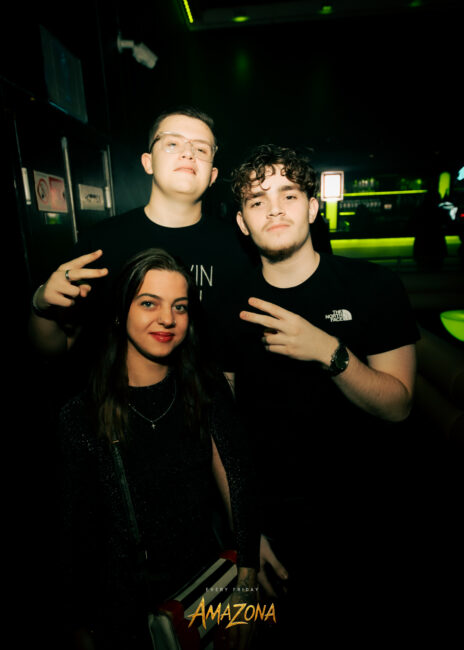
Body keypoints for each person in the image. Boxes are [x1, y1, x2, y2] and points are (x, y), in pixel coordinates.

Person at [226, 144, 420, 645]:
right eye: (257, 200)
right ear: (243, 223)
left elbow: (399, 406)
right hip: (274, 533)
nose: (273, 208)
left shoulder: (375, 286)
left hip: (370, 525)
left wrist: (328, 351)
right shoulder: (227, 304)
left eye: (289, 195)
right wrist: (246, 537)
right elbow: (221, 432)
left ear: (313, 208)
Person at [58, 248, 260, 650]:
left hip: (204, 593)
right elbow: (72, 532)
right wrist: (78, 625)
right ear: (121, 312)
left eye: (179, 306)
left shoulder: (205, 388)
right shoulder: (80, 414)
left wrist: (248, 582)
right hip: (122, 614)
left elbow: (238, 479)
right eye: (149, 303)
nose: (167, 319)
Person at [28, 105, 255, 393]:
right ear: (148, 162)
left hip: (206, 410)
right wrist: (41, 306)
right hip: (117, 410)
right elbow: (55, 348)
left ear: (212, 175)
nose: (188, 153)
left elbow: (240, 356)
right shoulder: (101, 242)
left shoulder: (239, 248)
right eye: (172, 143)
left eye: (201, 149)